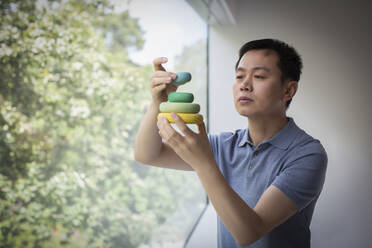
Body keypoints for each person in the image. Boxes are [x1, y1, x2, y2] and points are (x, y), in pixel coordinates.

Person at [134, 38, 327, 248]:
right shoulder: (224, 145)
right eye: (239, 76)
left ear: (288, 90)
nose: (244, 85)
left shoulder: (308, 154)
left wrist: (203, 162)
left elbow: (249, 232)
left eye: (259, 76)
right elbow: (147, 155)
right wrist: (158, 103)